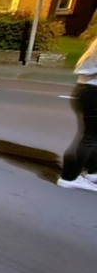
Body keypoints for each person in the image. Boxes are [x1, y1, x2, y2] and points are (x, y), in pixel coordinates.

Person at [57, 36, 97, 191]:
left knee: (92, 136)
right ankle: (69, 177)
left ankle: (92, 171)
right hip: (93, 91)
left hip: (86, 89)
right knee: (89, 137)